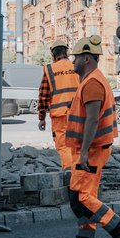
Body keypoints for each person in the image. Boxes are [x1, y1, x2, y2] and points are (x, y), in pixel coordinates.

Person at [59, 35, 120, 238]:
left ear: (87, 59)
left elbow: (92, 120)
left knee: (79, 198)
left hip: (90, 152)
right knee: (84, 195)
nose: (73, 62)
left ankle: (119, 227)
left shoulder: (92, 83)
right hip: (91, 149)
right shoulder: (93, 80)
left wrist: (82, 152)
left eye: (76, 58)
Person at [37, 39, 79, 170]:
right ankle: (80, 173)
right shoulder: (76, 67)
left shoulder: (50, 69)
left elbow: (43, 95)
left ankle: (70, 174)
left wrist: (42, 118)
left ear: (53, 54)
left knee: (63, 146)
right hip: (78, 113)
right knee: (78, 144)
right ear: (66, 52)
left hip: (59, 115)